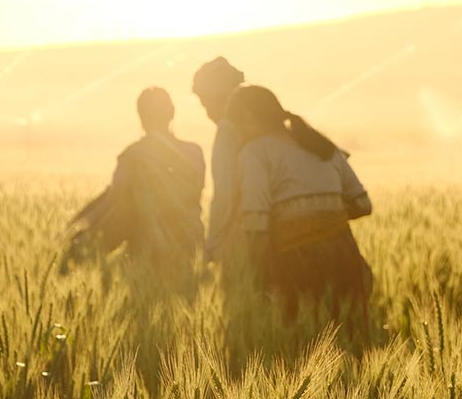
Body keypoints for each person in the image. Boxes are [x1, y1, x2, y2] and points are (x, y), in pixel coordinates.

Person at [229, 85, 374, 323]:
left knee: (302, 345)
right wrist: (325, 219)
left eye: (237, 127)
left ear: (247, 117)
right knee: (349, 336)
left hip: (297, 265)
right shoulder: (321, 145)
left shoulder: (254, 152)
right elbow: (363, 204)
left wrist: (259, 280)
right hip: (346, 259)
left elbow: (257, 225)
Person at [66, 87, 205, 279]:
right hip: (191, 243)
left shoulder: (132, 155)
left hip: (148, 249)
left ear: (140, 116)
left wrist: (77, 227)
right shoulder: (194, 153)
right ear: (172, 113)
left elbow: (113, 200)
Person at [193, 57, 251, 270]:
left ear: (218, 98)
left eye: (205, 104)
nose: (207, 113)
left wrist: (213, 244)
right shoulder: (264, 123)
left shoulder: (227, 131)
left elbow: (224, 196)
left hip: (246, 234)